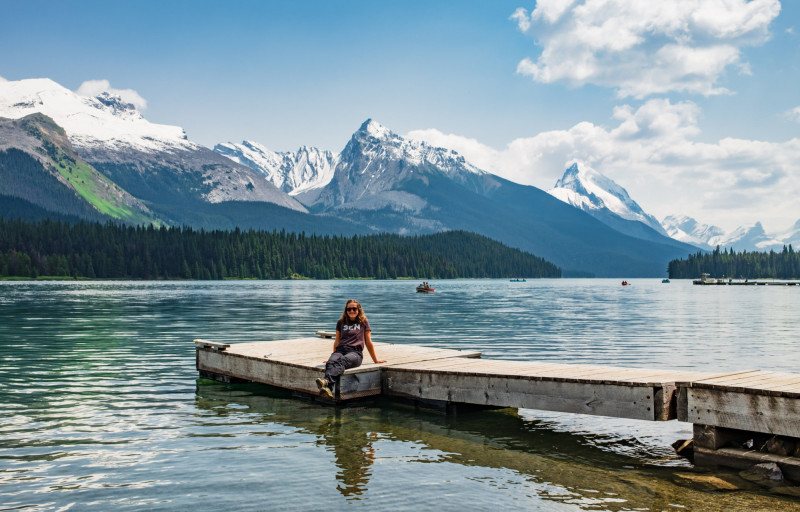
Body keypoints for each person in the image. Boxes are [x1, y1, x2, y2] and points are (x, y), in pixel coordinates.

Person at [316, 299, 386, 400]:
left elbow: (368, 342)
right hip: (340, 350)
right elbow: (337, 341)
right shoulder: (341, 322)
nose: (352, 311)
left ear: (358, 310)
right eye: (349, 309)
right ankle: (328, 390)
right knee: (330, 363)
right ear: (346, 310)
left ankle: (326, 381)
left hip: (355, 353)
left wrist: (375, 360)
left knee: (342, 361)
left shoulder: (363, 322)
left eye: (354, 309)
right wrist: (333, 355)